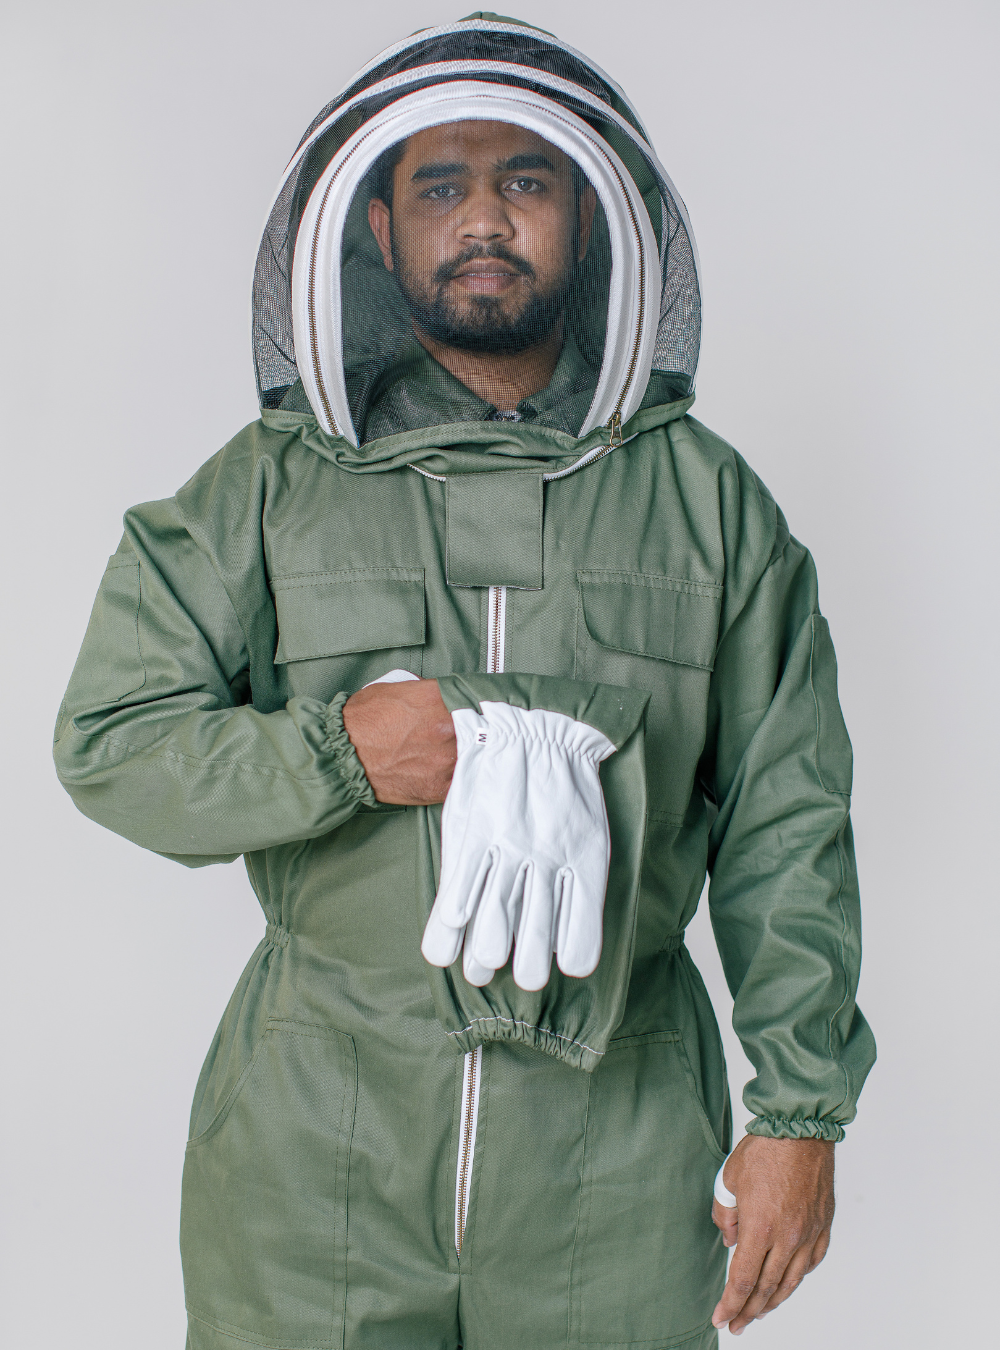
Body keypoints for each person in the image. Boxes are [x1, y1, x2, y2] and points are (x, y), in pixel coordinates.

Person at [54, 14, 875, 1349]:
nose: (482, 220)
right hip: (313, 1151)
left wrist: (800, 1112)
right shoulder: (268, 490)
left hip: (617, 1154)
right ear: (376, 228)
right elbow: (110, 740)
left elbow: (789, 822)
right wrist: (334, 755)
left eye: (525, 181)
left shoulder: (709, 508)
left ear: (592, 218)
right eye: (441, 185)